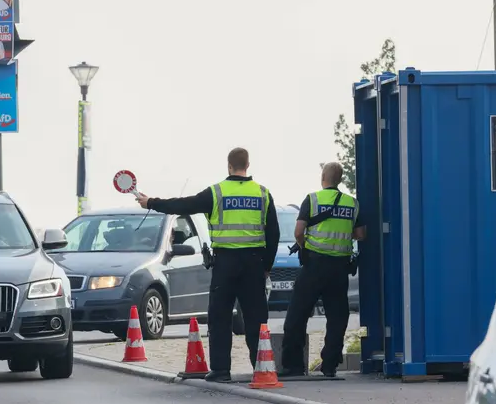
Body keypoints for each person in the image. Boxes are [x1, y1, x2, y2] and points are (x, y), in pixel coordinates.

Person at [135, 147, 279, 382]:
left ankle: (221, 370)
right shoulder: (262, 193)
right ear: (248, 166)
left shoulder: (217, 192)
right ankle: (261, 367)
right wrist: (267, 266)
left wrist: (151, 202)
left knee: (220, 316)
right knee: (256, 318)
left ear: (229, 166)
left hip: (226, 263)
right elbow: (273, 233)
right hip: (254, 263)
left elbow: (182, 205)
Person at [280, 162, 365, 378]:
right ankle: (329, 365)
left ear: (323, 177)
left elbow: (299, 231)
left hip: (314, 266)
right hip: (339, 269)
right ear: (340, 179)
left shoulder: (312, 199)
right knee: (337, 317)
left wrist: (304, 246)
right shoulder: (352, 203)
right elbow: (361, 234)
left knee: (297, 315)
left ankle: (293, 366)